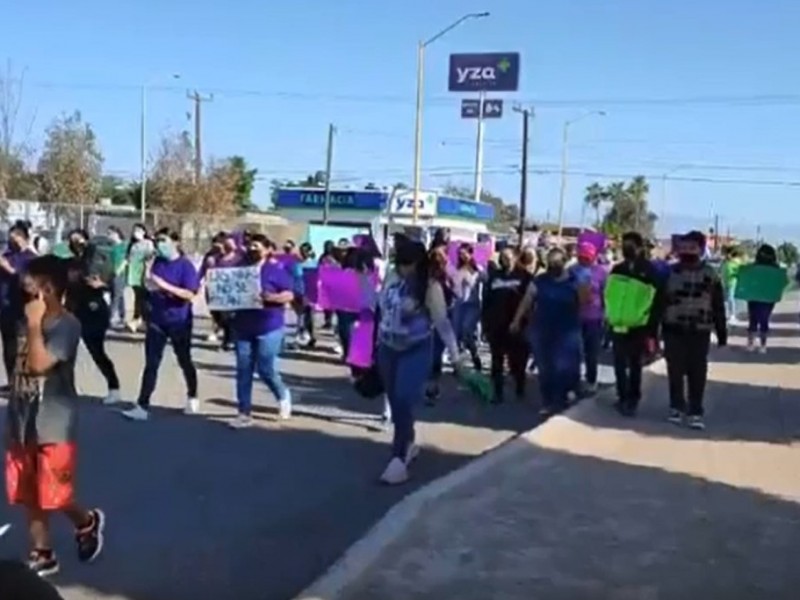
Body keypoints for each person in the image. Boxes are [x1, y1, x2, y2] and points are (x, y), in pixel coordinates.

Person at [5, 255, 105, 577]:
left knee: (55, 494)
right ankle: (42, 551)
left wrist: (34, 325)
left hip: (53, 423)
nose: (22, 287)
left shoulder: (67, 325)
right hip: (21, 418)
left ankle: (86, 521)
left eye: (29, 282)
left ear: (46, 289)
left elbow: (38, 364)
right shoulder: (19, 317)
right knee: (27, 490)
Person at [376, 239, 461, 485]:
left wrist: (456, 357)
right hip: (387, 348)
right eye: (399, 263)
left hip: (416, 349)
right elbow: (380, 309)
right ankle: (408, 442)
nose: (403, 269)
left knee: (403, 398)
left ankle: (398, 458)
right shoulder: (391, 279)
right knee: (395, 403)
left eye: (408, 264)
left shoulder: (430, 287)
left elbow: (443, 324)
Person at [123, 228, 200, 421]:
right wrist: (147, 274)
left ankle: (192, 395)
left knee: (184, 359)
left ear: (176, 241)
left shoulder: (185, 266)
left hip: (179, 321)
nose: (159, 244)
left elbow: (189, 294)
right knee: (151, 363)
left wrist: (162, 284)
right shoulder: (157, 262)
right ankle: (142, 405)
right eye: (157, 241)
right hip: (157, 319)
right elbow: (149, 285)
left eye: (163, 240)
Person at [660, 231, 727, 430]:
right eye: (684, 247)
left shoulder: (710, 274)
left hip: (700, 330)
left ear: (700, 249)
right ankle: (676, 407)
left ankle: (696, 411)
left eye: (692, 247)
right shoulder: (669, 273)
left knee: (697, 371)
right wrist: (652, 331)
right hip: (673, 329)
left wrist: (722, 333)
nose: (687, 251)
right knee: (675, 370)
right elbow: (659, 302)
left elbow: (718, 306)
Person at [230, 234, 295, 428]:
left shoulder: (275, 270)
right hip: (243, 326)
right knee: (243, 370)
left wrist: (272, 298)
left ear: (267, 250)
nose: (252, 249)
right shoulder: (240, 269)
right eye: (250, 246)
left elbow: (289, 294)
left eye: (256, 246)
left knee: (266, 369)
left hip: (269, 327)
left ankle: (282, 394)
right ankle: (244, 412)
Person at [511, 247, 583, 416]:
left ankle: (563, 397)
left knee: (563, 367)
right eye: (550, 263)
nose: (553, 266)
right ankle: (549, 402)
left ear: (564, 262)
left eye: (557, 262)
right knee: (545, 368)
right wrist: (516, 320)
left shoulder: (575, 281)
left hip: (566, 331)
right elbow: (527, 301)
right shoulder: (539, 281)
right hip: (542, 330)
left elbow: (584, 303)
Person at [604, 232, 662, 417]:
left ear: (639, 247)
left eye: (629, 245)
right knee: (619, 364)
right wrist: (608, 317)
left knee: (635, 364)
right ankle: (622, 397)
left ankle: (633, 399)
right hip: (618, 324)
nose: (626, 248)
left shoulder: (649, 271)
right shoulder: (617, 269)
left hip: (639, 326)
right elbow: (609, 296)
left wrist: (652, 328)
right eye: (624, 244)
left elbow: (656, 300)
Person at [64, 229, 121, 406]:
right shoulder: (70, 264)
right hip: (73, 310)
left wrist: (101, 284)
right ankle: (66, 390)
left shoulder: (98, 260)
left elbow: (112, 283)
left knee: (97, 352)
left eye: (79, 240)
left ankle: (114, 388)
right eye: (72, 241)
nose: (76, 244)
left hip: (94, 311)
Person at [483, 247, 532, 402]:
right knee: (496, 360)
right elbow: (486, 301)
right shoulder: (494, 277)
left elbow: (530, 301)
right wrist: (485, 323)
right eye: (503, 257)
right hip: (496, 324)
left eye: (509, 257)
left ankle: (520, 386)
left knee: (517, 360)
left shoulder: (525, 277)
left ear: (515, 257)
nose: (507, 260)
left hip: (517, 325)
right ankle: (497, 392)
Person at [0, 221, 37, 389]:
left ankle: (22, 383)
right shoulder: (7, 255)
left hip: (21, 308)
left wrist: (9, 269)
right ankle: (11, 381)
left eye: (14, 238)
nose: (11, 242)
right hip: (4, 307)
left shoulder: (30, 258)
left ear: (23, 238)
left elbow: (28, 282)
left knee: (20, 348)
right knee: (8, 347)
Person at [570, 242, 607, 395]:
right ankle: (574, 382)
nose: (584, 260)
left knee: (592, 353)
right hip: (575, 316)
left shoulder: (601, 272)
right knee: (574, 352)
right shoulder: (571, 271)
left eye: (587, 258)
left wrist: (606, 313)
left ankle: (591, 380)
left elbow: (606, 293)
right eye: (582, 257)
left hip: (594, 318)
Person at [746, 244, 783, 353]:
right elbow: (780, 282)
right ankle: (763, 345)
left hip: (753, 296)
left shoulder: (753, 267)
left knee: (753, 319)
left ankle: (751, 343)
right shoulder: (775, 268)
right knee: (764, 319)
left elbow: (746, 279)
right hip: (768, 297)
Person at [452, 243, 482, 371]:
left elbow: (485, 280)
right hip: (459, 304)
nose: (462, 256)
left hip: (472, 305)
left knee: (466, 331)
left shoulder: (478, 269)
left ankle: (475, 355)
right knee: (457, 333)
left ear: (470, 254)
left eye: (465, 253)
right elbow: (454, 286)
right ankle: (457, 364)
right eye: (460, 254)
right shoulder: (458, 269)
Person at [125, 223, 154, 333]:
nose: (136, 232)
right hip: (134, 275)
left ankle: (143, 320)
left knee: (145, 298)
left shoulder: (148, 243)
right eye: (134, 230)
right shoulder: (132, 245)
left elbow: (150, 256)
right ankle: (138, 319)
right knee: (137, 298)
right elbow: (128, 258)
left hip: (144, 273)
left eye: (139, 230)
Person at [107, 226, 128, 328]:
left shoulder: (123, 246)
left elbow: (126, 259)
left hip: (119, 274)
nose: (109, 236)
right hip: (111, 273)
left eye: (110, 233)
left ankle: (111, 317)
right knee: (118, 295)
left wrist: (119, 269)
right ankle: (122, 315)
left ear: (116, 234)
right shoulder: (111, 246)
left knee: (116, 295)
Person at [720, 247, 742, 325]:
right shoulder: (725, 261)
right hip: (725, 282)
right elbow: (721, 269)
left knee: (730, 298)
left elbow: (740, 271)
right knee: (725, 299)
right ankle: (727, 314)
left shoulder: (736, 261)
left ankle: (732, 315)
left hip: (732, 282)